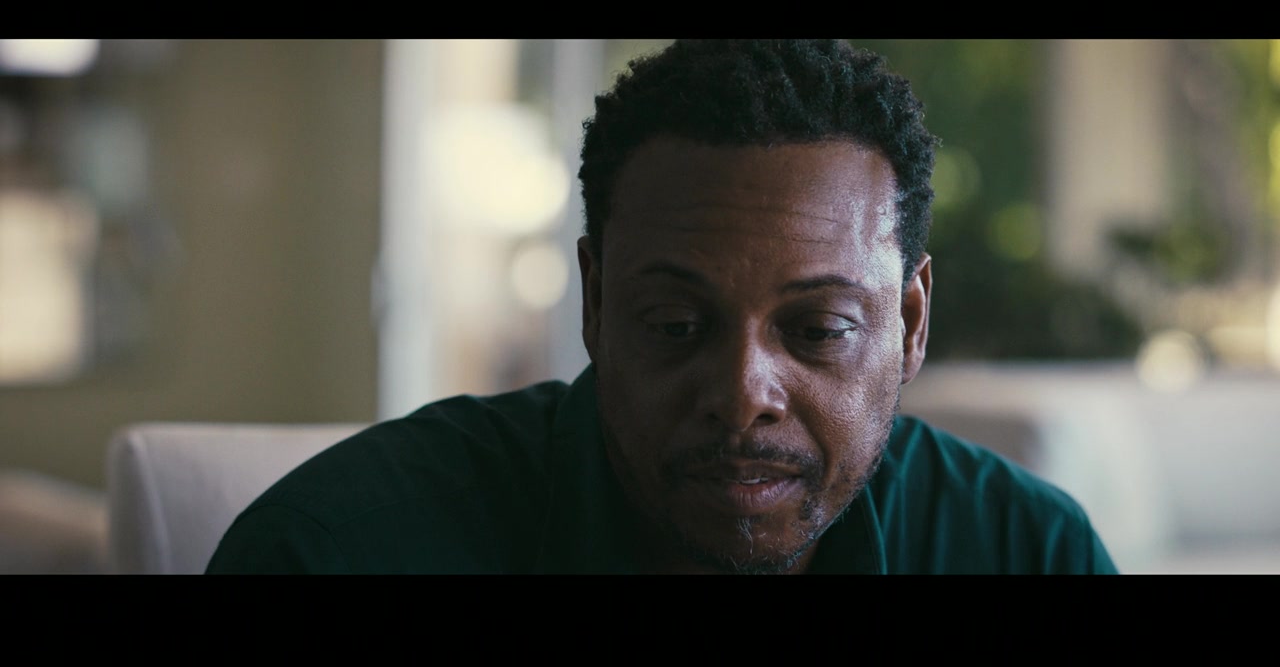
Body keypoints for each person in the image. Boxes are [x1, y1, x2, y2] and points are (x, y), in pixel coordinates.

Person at [206, 39, 1118, 574]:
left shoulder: (1021, 550)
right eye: (678, 326)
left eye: (817, 331)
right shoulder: (340, 552)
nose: (742, 393)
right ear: (596, 303)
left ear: (911, 324)